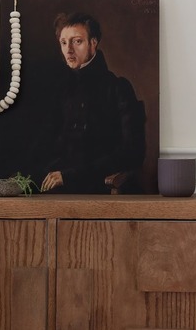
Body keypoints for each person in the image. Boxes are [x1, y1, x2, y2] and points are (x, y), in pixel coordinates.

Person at [34, 12, 146, 194]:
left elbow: (133, 152)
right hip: (56, 188)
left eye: (77, 41)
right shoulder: (61, 90)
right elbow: (44, 144)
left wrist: (71, 175)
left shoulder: (118, 88)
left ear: (93, 43)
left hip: (99, 189)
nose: (68, 50)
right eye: (64, 42)